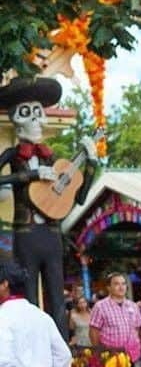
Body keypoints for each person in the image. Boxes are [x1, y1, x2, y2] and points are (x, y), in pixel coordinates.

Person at [0, 76, 97, 334]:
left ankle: (61, 356)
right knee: (28, 296)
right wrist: (31, 176)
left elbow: (79, 198)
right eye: (26, 113)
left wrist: (92, 165)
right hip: (26, 233)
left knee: (56, 296)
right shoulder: (12, 155)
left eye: (37, 113)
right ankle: (31, 354)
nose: (34, 120)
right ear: (15, 118)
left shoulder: (52, 158)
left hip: (52, 235)